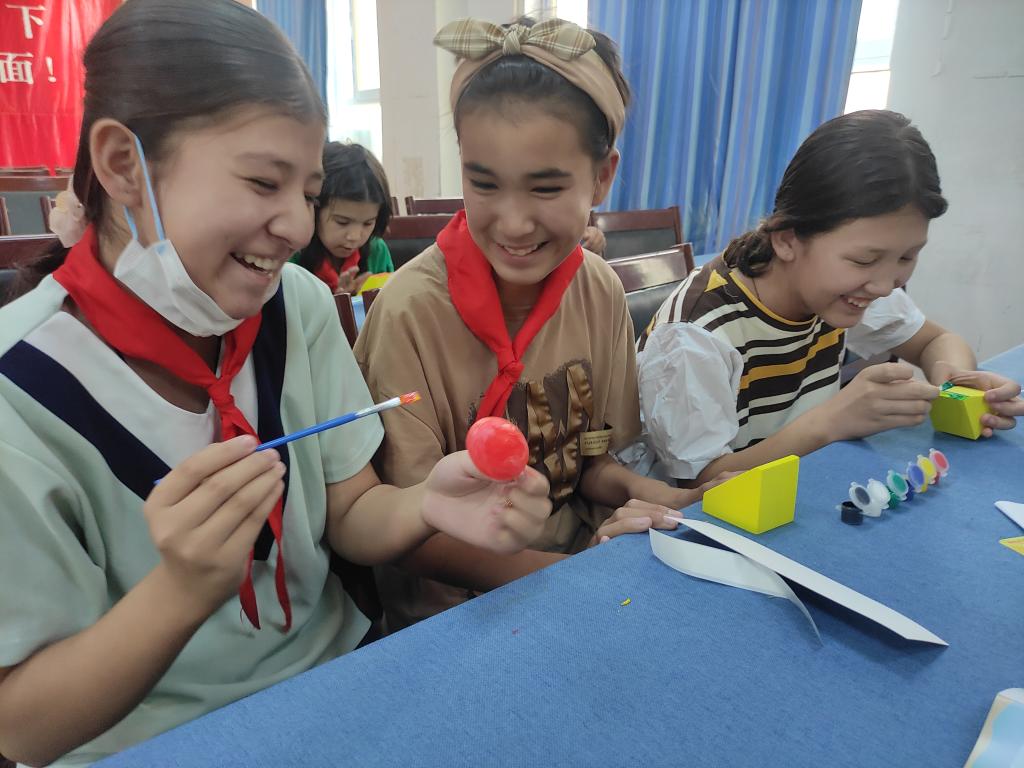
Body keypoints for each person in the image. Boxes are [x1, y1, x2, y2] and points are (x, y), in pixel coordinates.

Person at [0, 2, 551, 765]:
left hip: (343, 681)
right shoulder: (19, 391)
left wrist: (428, 505)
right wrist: (180, 593)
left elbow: (348, 511)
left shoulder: (297, 306)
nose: (295, 225)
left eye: (307, 192)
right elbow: (22, 724)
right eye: (264, 182)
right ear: (124, 165)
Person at [354, 17, 716, 632]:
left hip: (579, 568)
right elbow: (413, 531)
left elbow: (591, 464)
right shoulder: (409, 312)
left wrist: (675, 500)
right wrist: (570, 574)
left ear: (602, 177)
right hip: (456, 614)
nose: (514, 223)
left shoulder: (597, 290)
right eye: (483, 183)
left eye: (545, 188)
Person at [629, 109, 1023, 485]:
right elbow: (699, 482)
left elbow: (937, 341)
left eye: (907, 257)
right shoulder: (696, 335)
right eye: (864, 259)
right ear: (787, 239)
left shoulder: (848, 290)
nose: (885, 285)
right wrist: (831, 422)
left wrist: (956, 381)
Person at [294, 141, 394, 294]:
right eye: (342, 222)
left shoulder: (377, 251)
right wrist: (337, 303)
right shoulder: (293, 252)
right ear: (314, 208)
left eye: (368, 223)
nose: (354, 237)